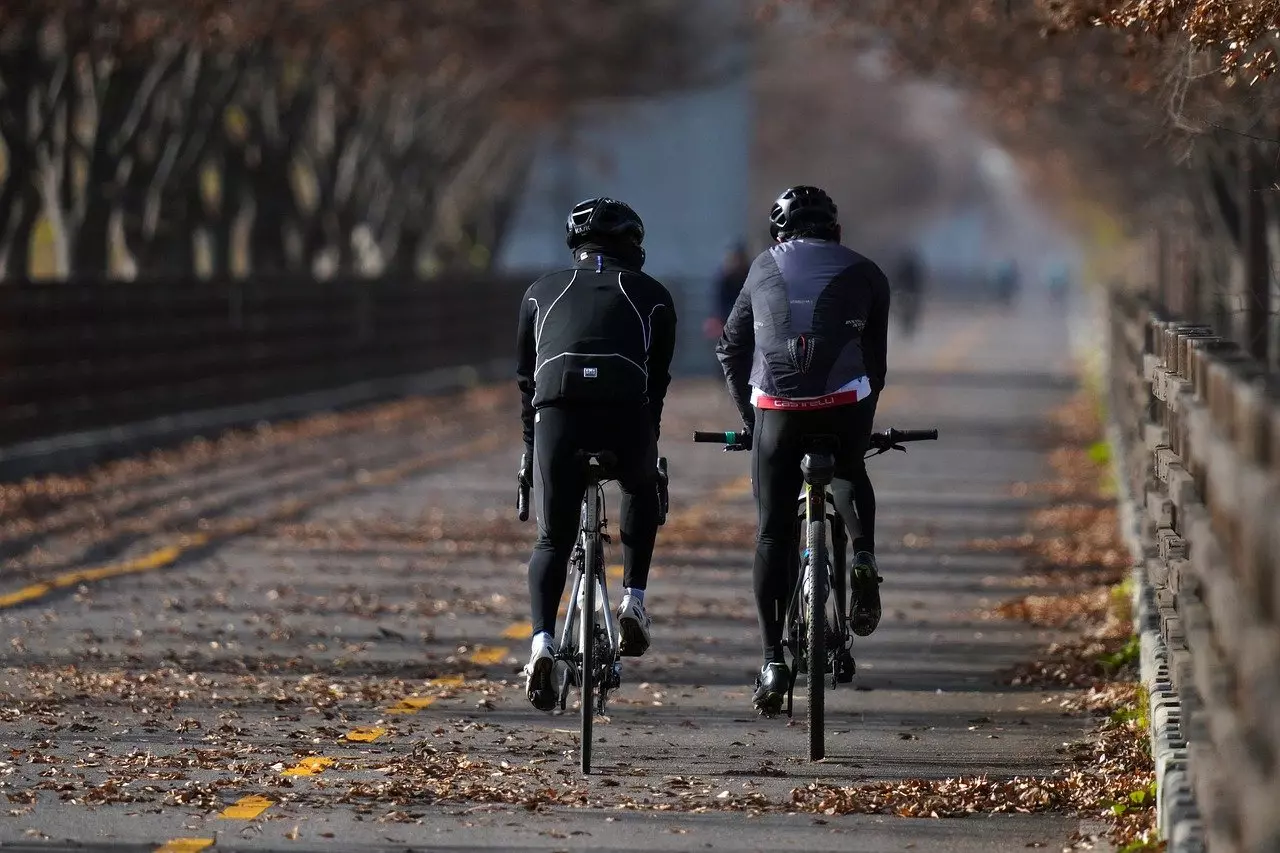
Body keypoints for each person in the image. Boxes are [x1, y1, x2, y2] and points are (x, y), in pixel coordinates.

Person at [716, 185, 890, 715]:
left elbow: (731, 348)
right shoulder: (868, 272)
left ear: (778, 234)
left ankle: (773, 661)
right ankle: (862, 555)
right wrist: (861, 414)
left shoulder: (761, 266)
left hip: (777, 410)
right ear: (836, 232)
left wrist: (752, 422)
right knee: (851, 467)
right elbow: (875, 363)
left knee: (772, 531)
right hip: (846, 407)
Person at [515, 197, 678, 712]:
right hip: (624, 413)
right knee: (638, 484)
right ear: (635, 245)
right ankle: (633, 601)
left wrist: (529, 450)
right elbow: (657, 381)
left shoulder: (540, 292)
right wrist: (646, 446)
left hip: (556, 414)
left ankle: (542, 643)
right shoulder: (654, 295)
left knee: (551, 539)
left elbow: (526, 380)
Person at [703, 242, 752, 340]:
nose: (737, 263)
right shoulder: (723, 280)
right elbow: (718, 308)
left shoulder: (751, 277)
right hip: (727, 321)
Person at [893, 250, 924, 336]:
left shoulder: (900, 268)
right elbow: (919, 281)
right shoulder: (914, 269)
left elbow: (896, 280)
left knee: (905, 312)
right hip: (911, 292)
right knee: (910, 312)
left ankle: (906, 328)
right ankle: (908, 329)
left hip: (904, 292)